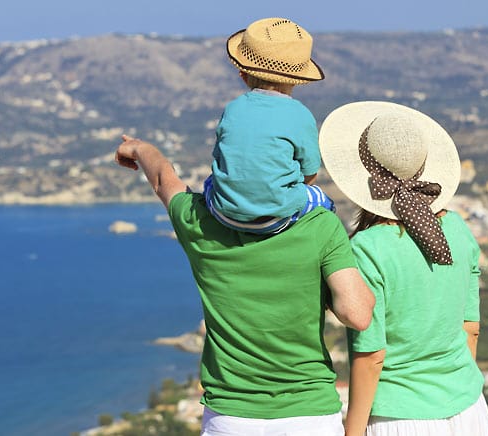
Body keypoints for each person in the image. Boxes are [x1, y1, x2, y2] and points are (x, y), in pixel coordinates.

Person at [113, 134, 374, 436]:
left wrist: (141, 148)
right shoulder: (319, 225)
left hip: (230, 416)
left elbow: (162, 180)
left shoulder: (198, 221)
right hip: (308, 414)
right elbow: (357, 314)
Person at [318, 101, 488, 436]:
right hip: (470, 408)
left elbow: (371, 356)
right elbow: (470, 327)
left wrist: (352, 432)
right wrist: (450, 390)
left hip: (402, 417)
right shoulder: (457, 229)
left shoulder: (368, 249)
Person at [204, 17, 334, 234]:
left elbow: (220, 160)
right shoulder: (301, 115)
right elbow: (310, 175)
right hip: (275, 220)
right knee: (325, 202)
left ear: (243, 76)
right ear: (296, 79)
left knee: (209, 182)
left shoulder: (232, 109)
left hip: (224, 213)